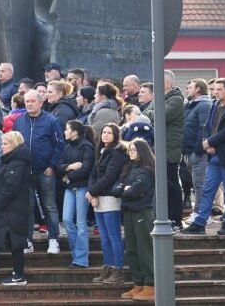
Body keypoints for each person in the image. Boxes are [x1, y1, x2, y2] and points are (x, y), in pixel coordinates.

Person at [183, 78, 225, 236]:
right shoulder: (214, 105)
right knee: (207, 189)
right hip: (213, 154)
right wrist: (206, 144)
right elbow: (208, 127)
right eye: (214, 89)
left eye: (219, 89)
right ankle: (200, 222)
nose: (215, 92)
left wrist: (209, 143)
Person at [12, 90, 64, 254]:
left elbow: (59, 145)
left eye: (32, 101)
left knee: (49, 205)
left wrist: (52, 165)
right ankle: (28, 241)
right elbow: (14, 143)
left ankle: (53, 239)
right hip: (25, 171)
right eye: (27, 101)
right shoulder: (19, 121)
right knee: (27, 207)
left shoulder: (51, 121)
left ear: (41, 103)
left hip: (45, 170)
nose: (29, 104)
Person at [143, 70, 185, 230]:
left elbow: (161, 114)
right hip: (158, 148)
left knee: (171, 184)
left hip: (169, 148)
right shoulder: (159, 98)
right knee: (161, 185)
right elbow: (146, 113)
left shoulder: (175, 99)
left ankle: (176, 219)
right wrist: (152, 113)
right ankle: (164, 216)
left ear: (168, 83)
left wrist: (152, 113)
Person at [0, 131, 32, 286]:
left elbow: (10, 187)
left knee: (17, 243)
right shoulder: (10, 161)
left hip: (14, 209)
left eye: (5, 144)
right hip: (10, 209)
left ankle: (19, 275)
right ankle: (16, 273)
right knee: (13, 242)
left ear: (13, 145)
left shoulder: (17, 163)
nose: (2, 147)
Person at [87, 122, 127, 284]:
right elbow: (93, 174)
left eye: (109, 133)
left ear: (116, 135)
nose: (105, 135)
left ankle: (118, 269)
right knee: (104, 237)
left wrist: (92, 192)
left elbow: (109, 176)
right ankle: (108, 267)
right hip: (98, 197)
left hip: (110, 197)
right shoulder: (101, 151)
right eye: (104, 132)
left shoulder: (117, 152)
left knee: (113, 236)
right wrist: (92, 193)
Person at [117, 138, 156, 302]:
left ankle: (150, 284)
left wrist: (126, 190)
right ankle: (138, 283)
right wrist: (125, 189)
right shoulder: (129, 168)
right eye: (130, 149)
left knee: (144, 249)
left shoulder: (147, 170)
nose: (131, 152)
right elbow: (117, 188)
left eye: (134, 149)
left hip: (142, 212)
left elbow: (134, 191)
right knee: (132, 249)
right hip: (129, 211)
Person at [58, 119, 95, 269]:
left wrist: (68, 175)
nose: (65, 132)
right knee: (66, 219)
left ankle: (81, 258)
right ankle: (76, 253)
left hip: (81, 187)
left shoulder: (87, 147)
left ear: (74, 132)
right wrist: (70, 167)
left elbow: (86, 169)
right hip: (70, 187)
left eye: (67, 129)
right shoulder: (67, 147)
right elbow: (58, 165)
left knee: (80, 222)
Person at [183, 78, 212, 216]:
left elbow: (204, 128)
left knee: (200, 185)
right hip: (189, 151)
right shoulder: (191, 105)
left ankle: (201, 214)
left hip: (197, 152)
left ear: (198, 89)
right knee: (196, 185)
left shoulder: (204, 105)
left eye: (190, 87)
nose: (187, 90)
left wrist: (198, 149)